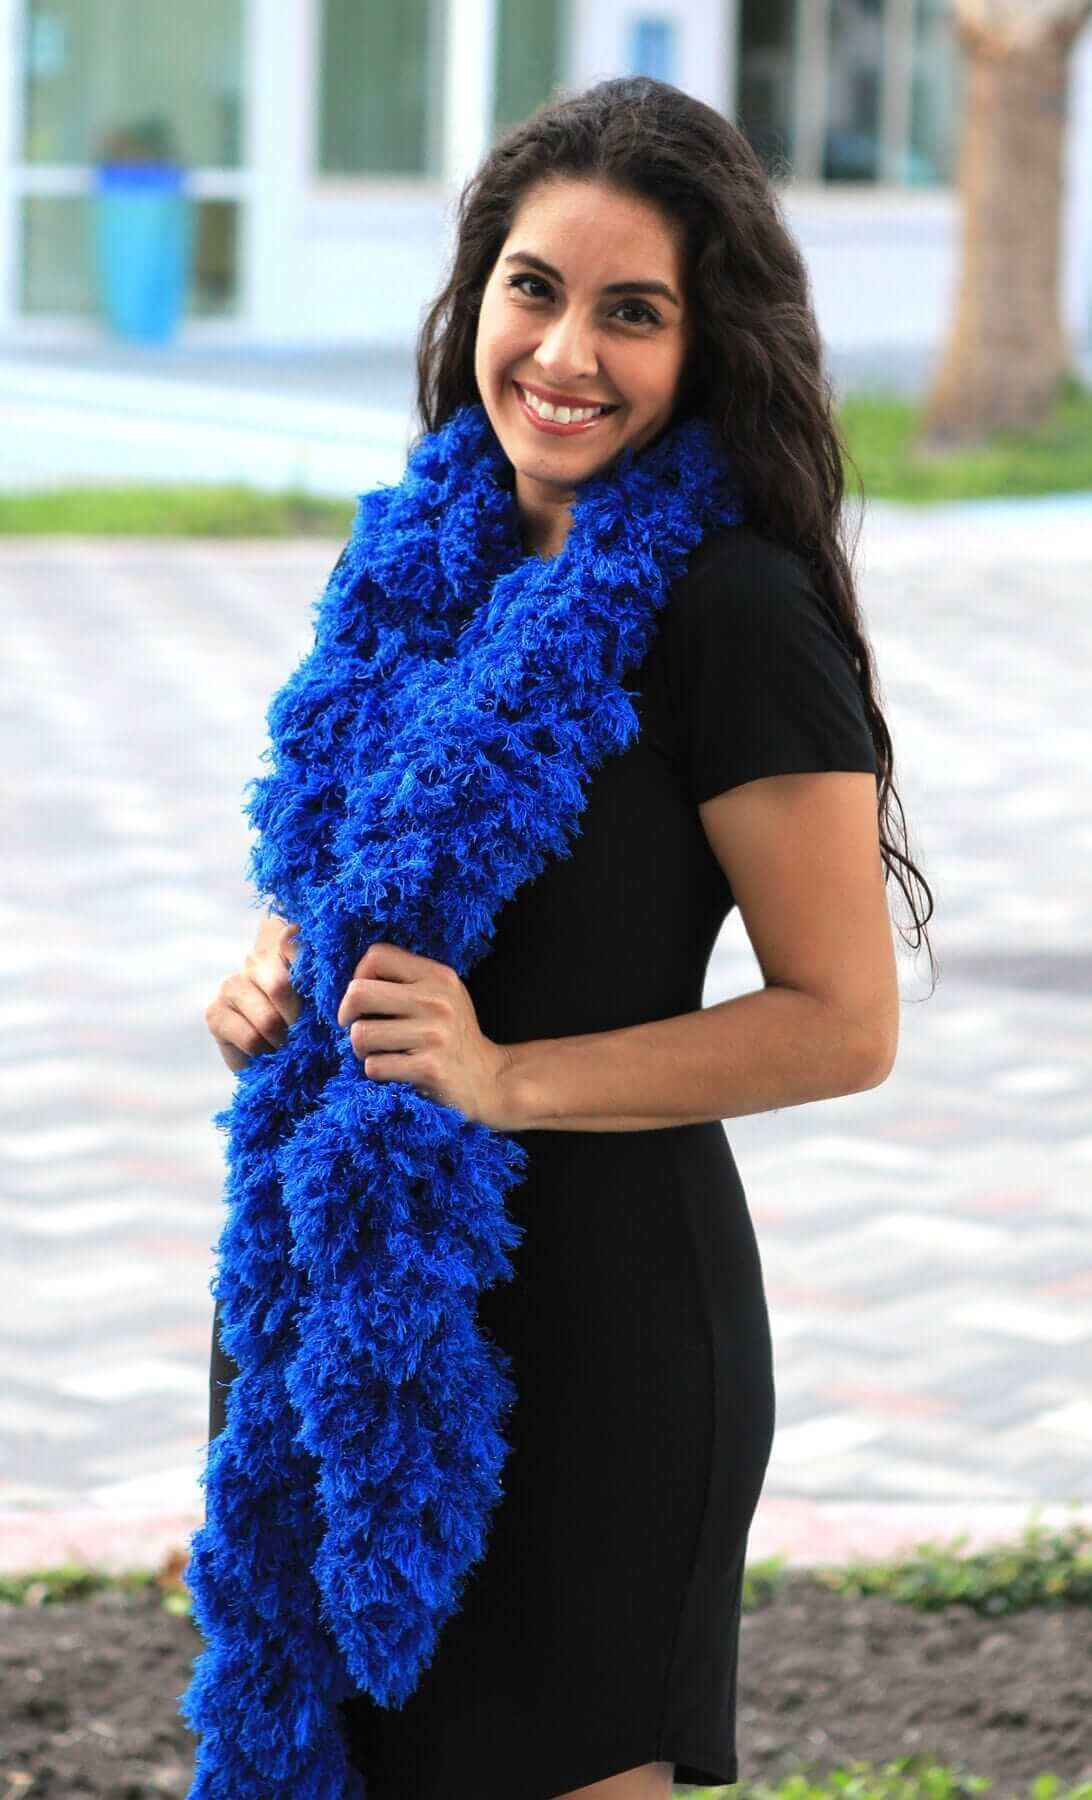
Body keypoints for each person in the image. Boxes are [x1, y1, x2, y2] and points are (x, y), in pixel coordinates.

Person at [203, 75, 933, 1800]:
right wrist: (272, 967)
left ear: (708, 341)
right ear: (479, 292)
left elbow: (844, 1019)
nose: (566, 353)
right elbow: (352, 870)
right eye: (534, 289)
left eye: (634, 313)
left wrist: (504, 1075)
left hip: (596, 1341)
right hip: (339, 1294)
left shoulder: (731, 611)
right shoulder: (417, 565)